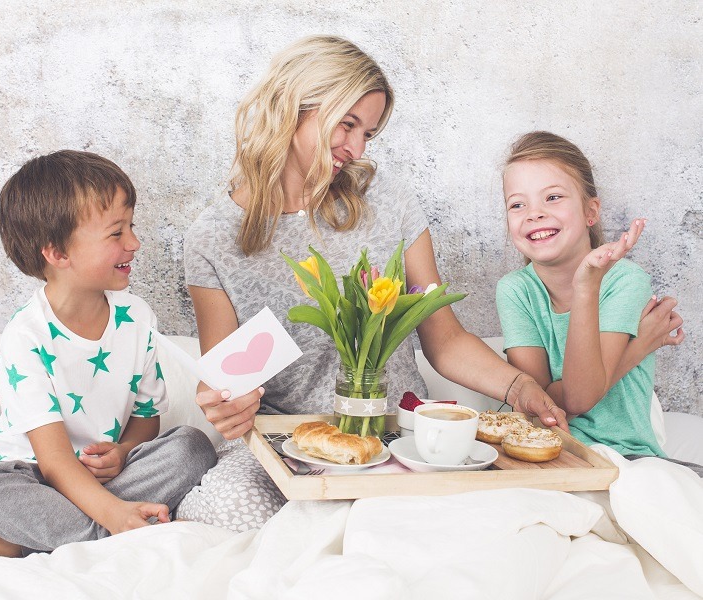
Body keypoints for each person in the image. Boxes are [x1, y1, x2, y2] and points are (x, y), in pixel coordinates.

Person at [178, 35, 571, 531]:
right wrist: (226, 403)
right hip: (288, 445)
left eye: (369, 132)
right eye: (348, 124)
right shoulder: (213, 237)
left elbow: (443, 339)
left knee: (461, 526)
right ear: (292, 106)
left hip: (395, 436)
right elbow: (227, 374)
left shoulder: (388, 200)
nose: (357, 147)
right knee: (228, 514)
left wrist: (520, 387)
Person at [0, 150, 217, 556]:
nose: (134, 243)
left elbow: (146, 419)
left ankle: (25, 539)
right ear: (58, 253)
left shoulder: (138, 318)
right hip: (31, 475)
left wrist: (121, 453)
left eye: (131, 227)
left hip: (102, 478)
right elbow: (51, 461)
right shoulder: (26, 336)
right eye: (116, 233)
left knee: (192, 445)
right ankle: (113, 528)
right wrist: (114, 514)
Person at [496, 131, 698, 474]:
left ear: (591, 212)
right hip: (545, 454)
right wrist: (638, 348)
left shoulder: (624, 280)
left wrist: (587, 286)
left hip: (628, 456)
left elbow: (570, 399)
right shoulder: (515, 290)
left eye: (553, 197)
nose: (534, 214)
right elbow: (537, 410)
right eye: (518, 204)